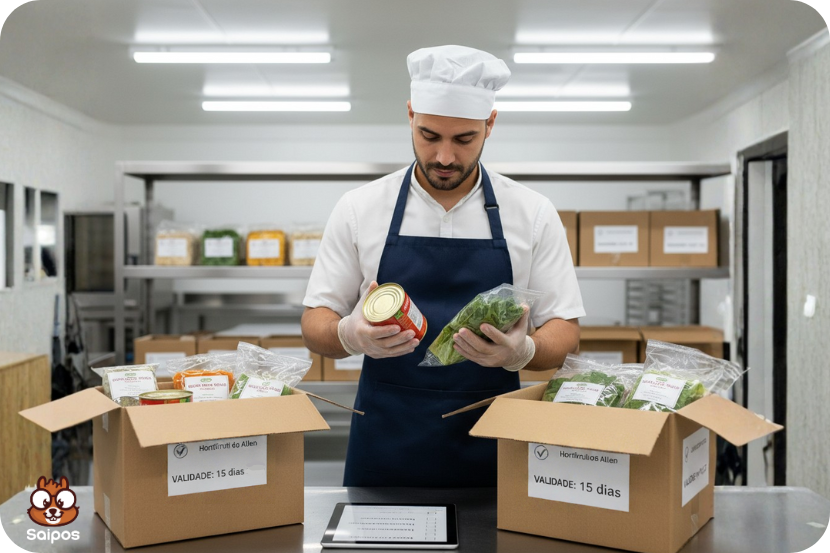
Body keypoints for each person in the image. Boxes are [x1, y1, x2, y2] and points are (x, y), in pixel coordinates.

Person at [301, 45, 585, 487]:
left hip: (494, 440)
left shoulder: (532, 212)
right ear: (410, 115)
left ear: (490, 125)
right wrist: (347, 334)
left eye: (464, 139)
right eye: (429, 136)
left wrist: (523, 351)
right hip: (385, 441)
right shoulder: (360, 207)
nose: (445, 158)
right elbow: (313, 322)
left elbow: (564, 329)